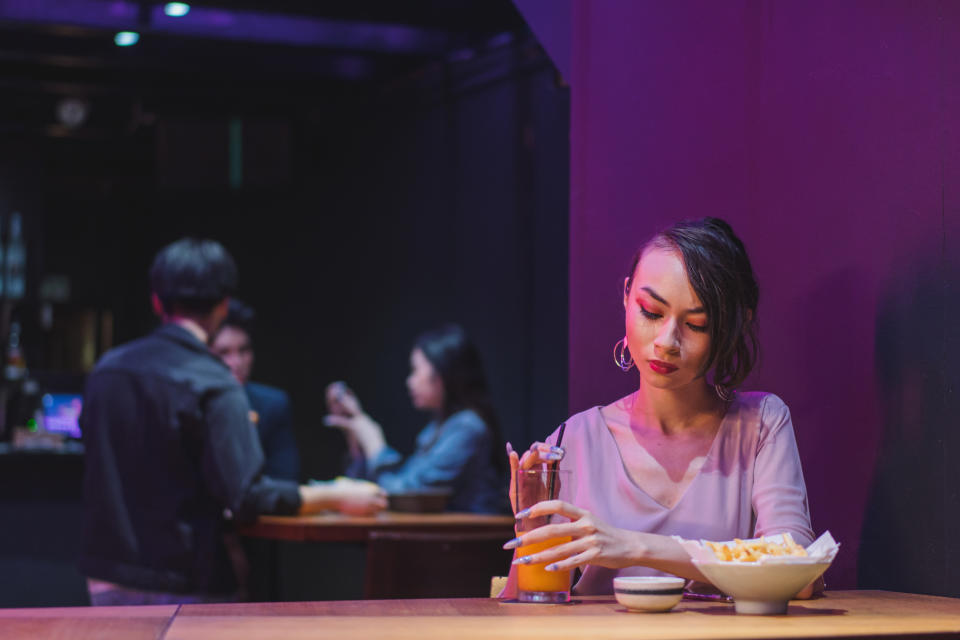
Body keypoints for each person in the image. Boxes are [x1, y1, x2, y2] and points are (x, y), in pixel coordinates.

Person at [503, 218, 818, 597]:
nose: (668, 341)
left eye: (697, 325)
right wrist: (531, 532)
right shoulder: (574, 440)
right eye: (651, 313)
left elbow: (798, 570)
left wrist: (634, 546)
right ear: (625, 297)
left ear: (734, 327)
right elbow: (523, 608)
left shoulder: (760, 425)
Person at [79, 238, 385, 605]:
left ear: (157, 301)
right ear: (223, 305)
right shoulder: (214, 382)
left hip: (106, 579)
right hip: (184, 581)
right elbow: (247, 496)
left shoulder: (107, 369)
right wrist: (334, 496)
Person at [325, 324, 508, 514]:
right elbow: (392, 485)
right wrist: (356, 433)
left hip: (465, 540)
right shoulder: (438, 428)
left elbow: (407, 496)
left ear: (442, 373)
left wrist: (374, 443)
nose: (409, 381)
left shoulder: (467, 428)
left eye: (415, 370)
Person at [211, 300, 299, 481]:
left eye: (244, 350)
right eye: (224, 352)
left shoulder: (272, 405)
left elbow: (285, 480)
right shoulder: (187, 404)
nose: (237, 363)